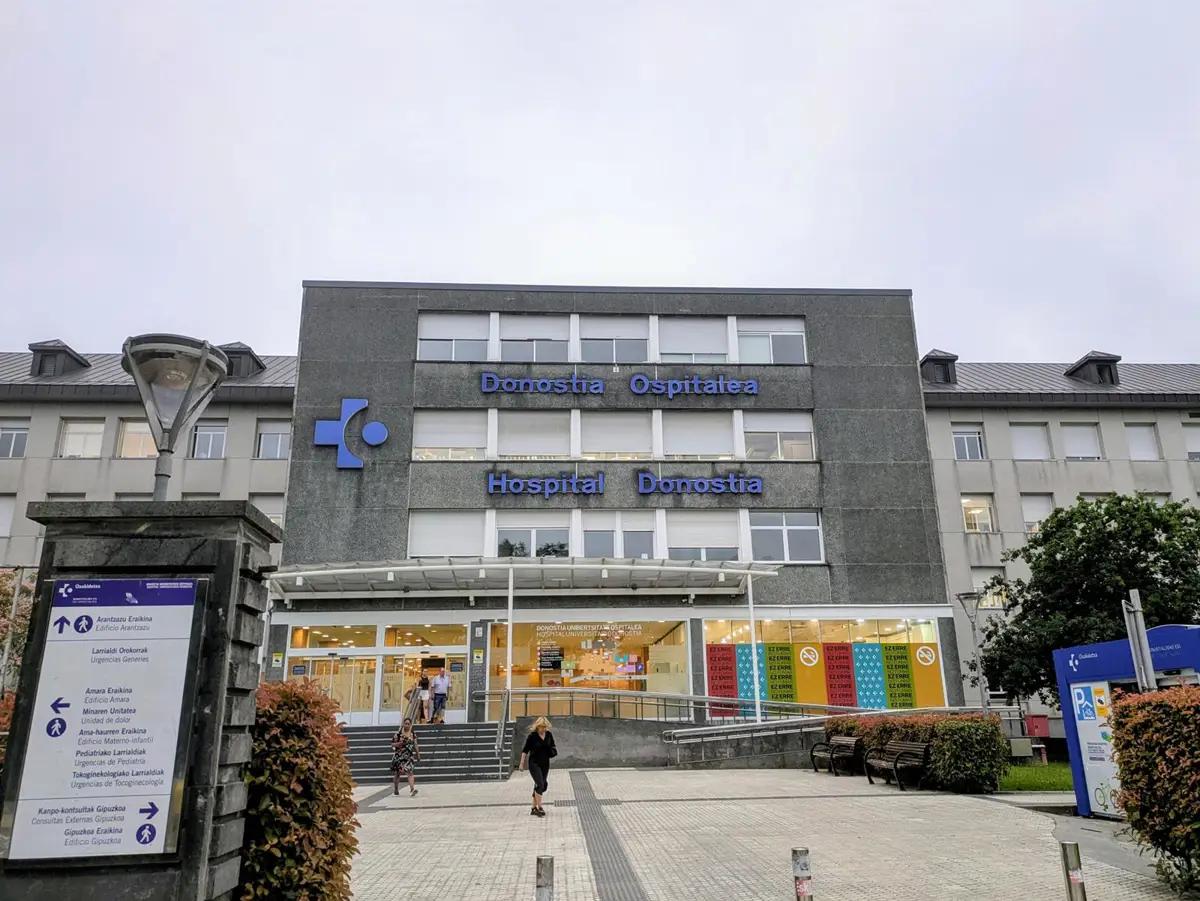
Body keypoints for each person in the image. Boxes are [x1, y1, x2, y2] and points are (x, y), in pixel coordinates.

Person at [519, 716, 556, 817]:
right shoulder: (532, 736)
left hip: (545, 763)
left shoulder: (548, 735)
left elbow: (553, 746)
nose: (543, 729)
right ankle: (539, 807)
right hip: (534, 763)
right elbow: (525, 750)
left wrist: (551, 750)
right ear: (537, 726)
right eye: (541, 727)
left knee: (542, 784)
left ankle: (533, 807)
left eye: (544, 727)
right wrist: (522, 763)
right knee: (539, 783)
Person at [390, 718, 420, 797]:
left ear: (410, 725)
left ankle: (412, 789)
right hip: (399, 756)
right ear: (403, 724)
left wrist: (418, 754)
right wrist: (399, 743)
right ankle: (396, 789)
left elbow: (415, 745)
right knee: (397, 774)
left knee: (410, 772)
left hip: (408, 756)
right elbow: (392, 744)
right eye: (405, 723)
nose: (407, 725)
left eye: (408, 724)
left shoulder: (412, 734)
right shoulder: (398, 734)